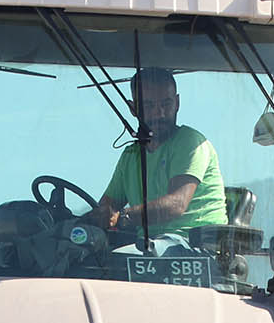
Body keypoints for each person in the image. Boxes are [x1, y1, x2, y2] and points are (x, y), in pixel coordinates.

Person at [93, 67, 228, 239]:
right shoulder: (131, 156)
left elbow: (176, 204)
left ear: (177, 103)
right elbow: (106, 209)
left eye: (166, 104)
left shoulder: (189, 142)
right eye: (149, 106)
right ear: (133, 108)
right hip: (150, 248)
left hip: (194, 247)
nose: (160, 113)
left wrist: (123, 217)